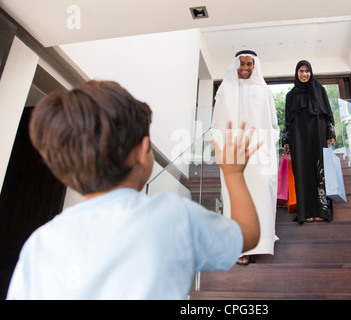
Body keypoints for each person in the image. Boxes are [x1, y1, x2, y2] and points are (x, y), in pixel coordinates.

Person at [6, 80, 261, 300]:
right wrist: (233, 172)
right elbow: (247, 236)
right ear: (142, 151)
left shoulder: (39, 242)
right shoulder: (173, 217)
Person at [211, 50, 280, 265]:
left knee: (261, 194)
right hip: (233, 154)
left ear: (255, 65)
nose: (246, 67)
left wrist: (268, 148)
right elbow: (216, 122)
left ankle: (262, 241)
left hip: (259, 155)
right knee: (234, 196)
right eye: (242, 63)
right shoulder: (225, 88)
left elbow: (274, 125)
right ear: (236, 64)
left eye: (250, 64)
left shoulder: (264, 91)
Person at [282, 60, 336, 224]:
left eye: (307, 71)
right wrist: (286, 139)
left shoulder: (319, 90)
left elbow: (328, 113)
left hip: (318, 134)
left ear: (311, 72)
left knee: (319, 171)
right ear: (296, 73)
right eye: (301, 71)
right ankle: (306, 213)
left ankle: (322, 212)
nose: (304, 74)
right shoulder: (291, 95)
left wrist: (330, 132)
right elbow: (287, 120)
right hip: (298, 137)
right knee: (302, 172)